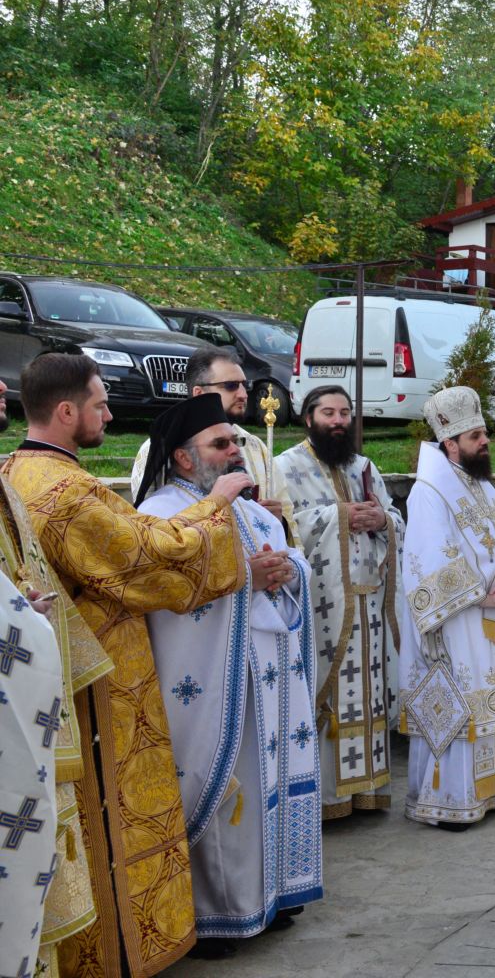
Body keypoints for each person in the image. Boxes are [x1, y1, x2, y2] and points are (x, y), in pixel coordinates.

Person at [1, 350, 251, 975]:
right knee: (107, 815)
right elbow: (149, 555)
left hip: (66, 674)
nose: (111, 413)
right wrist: (216, 502)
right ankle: (114, 954)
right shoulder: (64, 491)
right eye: (99, 403)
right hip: (96, 688)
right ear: (65, 411)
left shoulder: (15, 472)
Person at [138, 395, 322, 949]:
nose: (235, 451)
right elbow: (171, 594)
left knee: (270, 785)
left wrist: (288, 569)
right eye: (221, 444)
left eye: (234, 441)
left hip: (268, 680)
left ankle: (274, 893)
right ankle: (219, 913)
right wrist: (247, 577)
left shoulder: (249, 508)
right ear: (185, 458)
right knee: (226, 792)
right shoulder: (160, 515)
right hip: (216, 683)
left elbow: (294, 563)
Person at [0, 377, 112, 978]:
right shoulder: (52, 481)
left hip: (29, 699)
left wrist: (26, 611)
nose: (2, 385)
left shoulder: (6, 477)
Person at [398, 387, 495, 827]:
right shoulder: (429, 492)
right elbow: (427, 558)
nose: (484, 442)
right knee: (459, 705)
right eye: (474, 437)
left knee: (491, 700)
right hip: (457, 619)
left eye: (483, 433)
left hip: (493, 615)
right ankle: (450, 800)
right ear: (450, 443)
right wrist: (481, 595)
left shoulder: (485, 490)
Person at [277, 385, 403, 819]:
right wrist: (337, 516)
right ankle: (329, 799)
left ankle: (368, 791)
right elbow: (286, 528)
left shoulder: (363, 466)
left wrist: (382, 519)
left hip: (370, 605)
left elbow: (395, 519)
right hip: (323, 605)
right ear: (308, 417)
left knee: (369, 699)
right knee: (329, 697)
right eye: (328, 412)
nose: (337, 421)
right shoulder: (285, 467)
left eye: (345, 412)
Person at [130, 346, 288, 523]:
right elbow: (149, 528)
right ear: (198, 393)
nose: (243, 394)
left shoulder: (255, 445)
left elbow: (285, 513)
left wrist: (278, 523)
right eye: (231, 386)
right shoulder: (162, 446)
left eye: (245, 385)